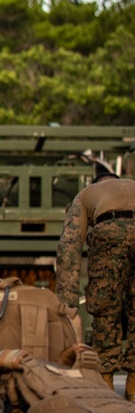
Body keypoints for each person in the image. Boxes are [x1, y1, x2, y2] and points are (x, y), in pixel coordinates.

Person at [56, 156, 135, 398]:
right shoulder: (131, 185)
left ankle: (106, 385)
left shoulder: (86, 194)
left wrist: (67, 302)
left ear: (95, 182)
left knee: (105, 309)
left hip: (108, 228)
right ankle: (133, 386)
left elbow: (69, 245)